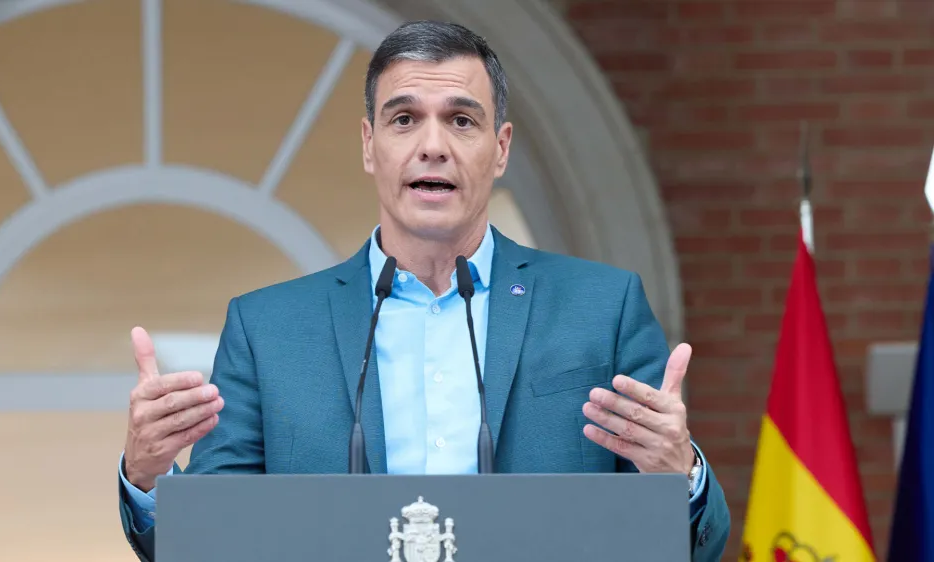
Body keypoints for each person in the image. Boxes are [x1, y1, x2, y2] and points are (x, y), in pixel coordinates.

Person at [117, 20, 729, 561]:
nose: (432, 146)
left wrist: (679, 474)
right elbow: (211, 541)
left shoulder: (602, 308)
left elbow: (692, 543)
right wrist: (146, 477)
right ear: (369, 145)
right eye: (404, 119)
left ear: (500, 149)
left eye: (461, 120)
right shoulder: (267, 330)